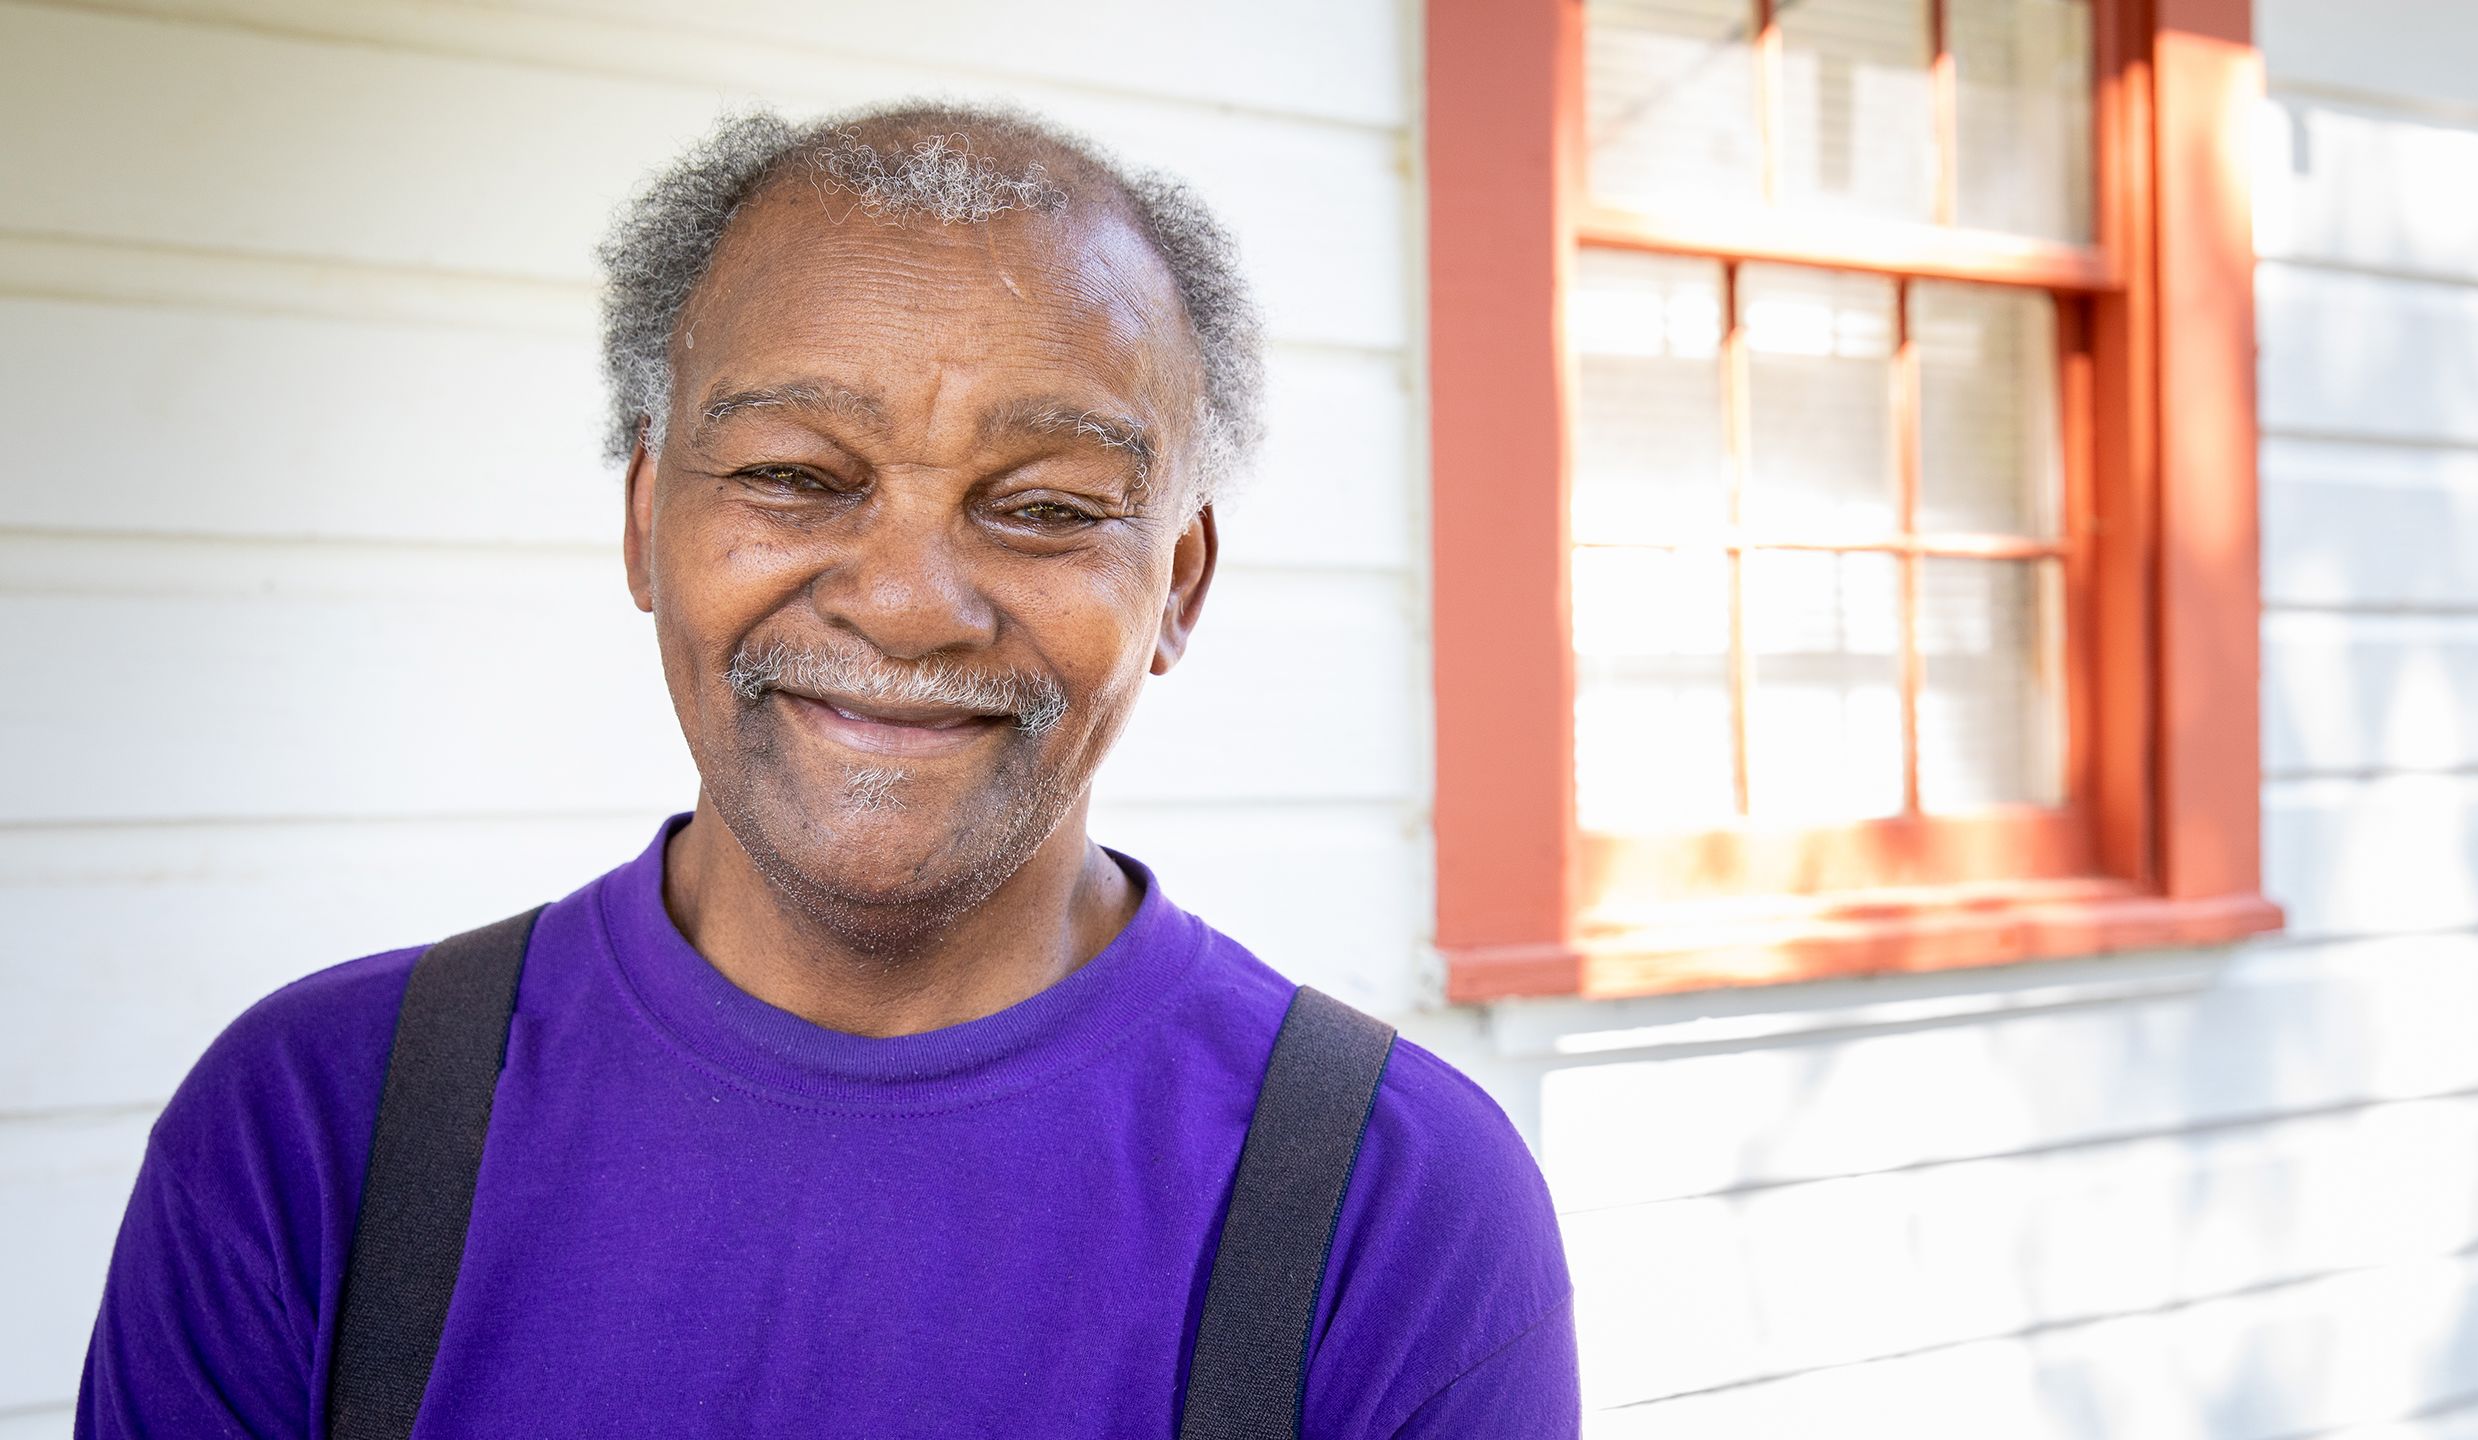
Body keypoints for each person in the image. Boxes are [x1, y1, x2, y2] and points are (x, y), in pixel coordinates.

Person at [75, 101, 1578, 1437]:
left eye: (1048, 507)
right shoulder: (315, 1128)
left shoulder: (1391, 1201)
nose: (910, 600)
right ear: (647, 525)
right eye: (797, 477)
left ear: (1178, 584)